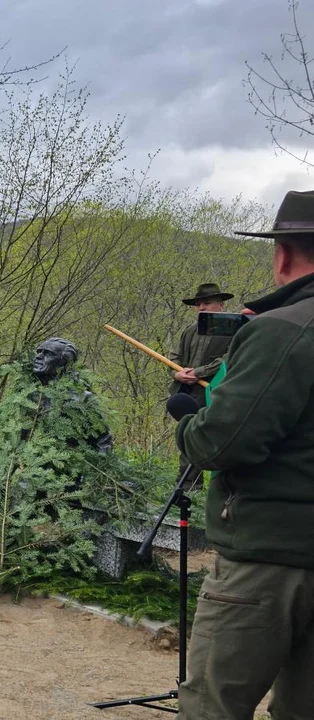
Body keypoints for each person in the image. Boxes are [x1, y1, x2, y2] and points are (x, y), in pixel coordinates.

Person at [176, 189, 314, 719]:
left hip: (270, 558)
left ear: (281, 253)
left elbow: (222, 443)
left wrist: (187, 419)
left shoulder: (280, 330)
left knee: (215, 704)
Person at [168, 282, 235, 407]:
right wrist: (177, 374)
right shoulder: (190, 330)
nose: (201, 308)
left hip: (217, 397)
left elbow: (229, 359)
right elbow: (175, 357)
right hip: (186, 396)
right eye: (198, 304)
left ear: (221, 305)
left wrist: (198, 373)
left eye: (207, 303)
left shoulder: (234, 330)